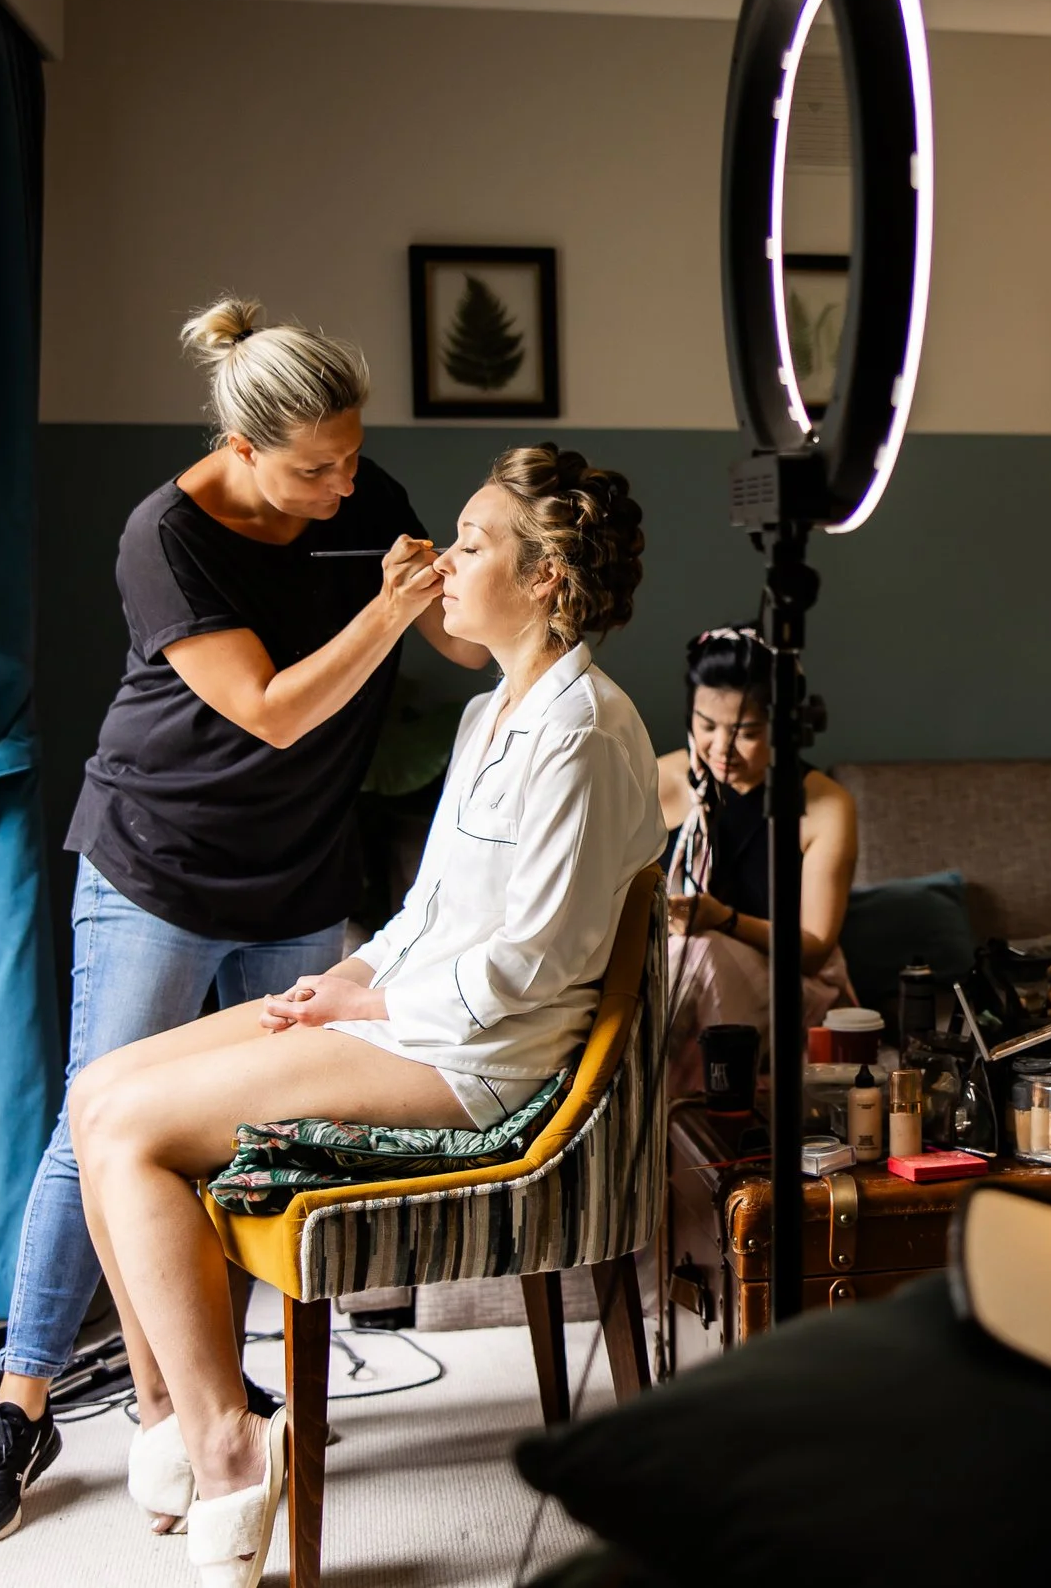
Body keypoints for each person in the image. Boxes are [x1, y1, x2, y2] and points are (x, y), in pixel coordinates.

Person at [66, 445, 664, 1584]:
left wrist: (380, 1000)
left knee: (139, 1132)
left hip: (483, 1062)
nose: (442, 560)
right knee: (101, 1091)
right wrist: (350, 977)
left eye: (474, 543)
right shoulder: (497, 712)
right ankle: (173, 1407)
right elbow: (432, 908)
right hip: (412, 1019)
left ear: (544, 580)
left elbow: (531, 969)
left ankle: (229, 1443)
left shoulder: (585, 732)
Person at [0, 299, 486, 1546]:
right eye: (315, 467)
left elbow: (454, 639)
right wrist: (393, 613)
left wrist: (485, 585)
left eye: (353, 456)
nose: (344, 485)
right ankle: (19, 1409)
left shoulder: (359, 491)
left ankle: (200, 1396)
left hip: (298, 874)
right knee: (102, 1125)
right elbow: (273, 710)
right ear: (244, 448)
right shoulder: (165, 537)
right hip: (159, 867)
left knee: (262, 1137)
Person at [656, 626, 860, 1087]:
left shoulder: (824, 807)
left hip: (790, 981)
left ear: (784, 725)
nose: (721, 750)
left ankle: (696, 1119)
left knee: (702, 953)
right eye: (706, 726)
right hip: (676, 973)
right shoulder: (661, 780)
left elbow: (812, 950)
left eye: (745, 732)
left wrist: (720, 918)